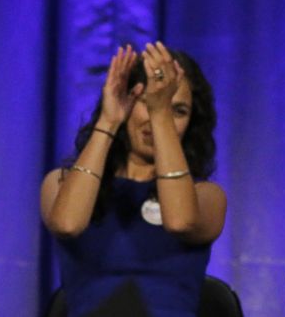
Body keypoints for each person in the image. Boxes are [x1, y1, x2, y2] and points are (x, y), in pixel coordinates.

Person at [40, 43, 226, 317]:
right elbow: (67, 224)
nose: (156, 114)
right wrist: (109, 120)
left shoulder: (206, 196)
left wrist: (159, 112)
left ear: (192, 124)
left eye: (179, 111)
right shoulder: (60, 182)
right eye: (145, 102)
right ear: (126, 101)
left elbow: (180, 221)